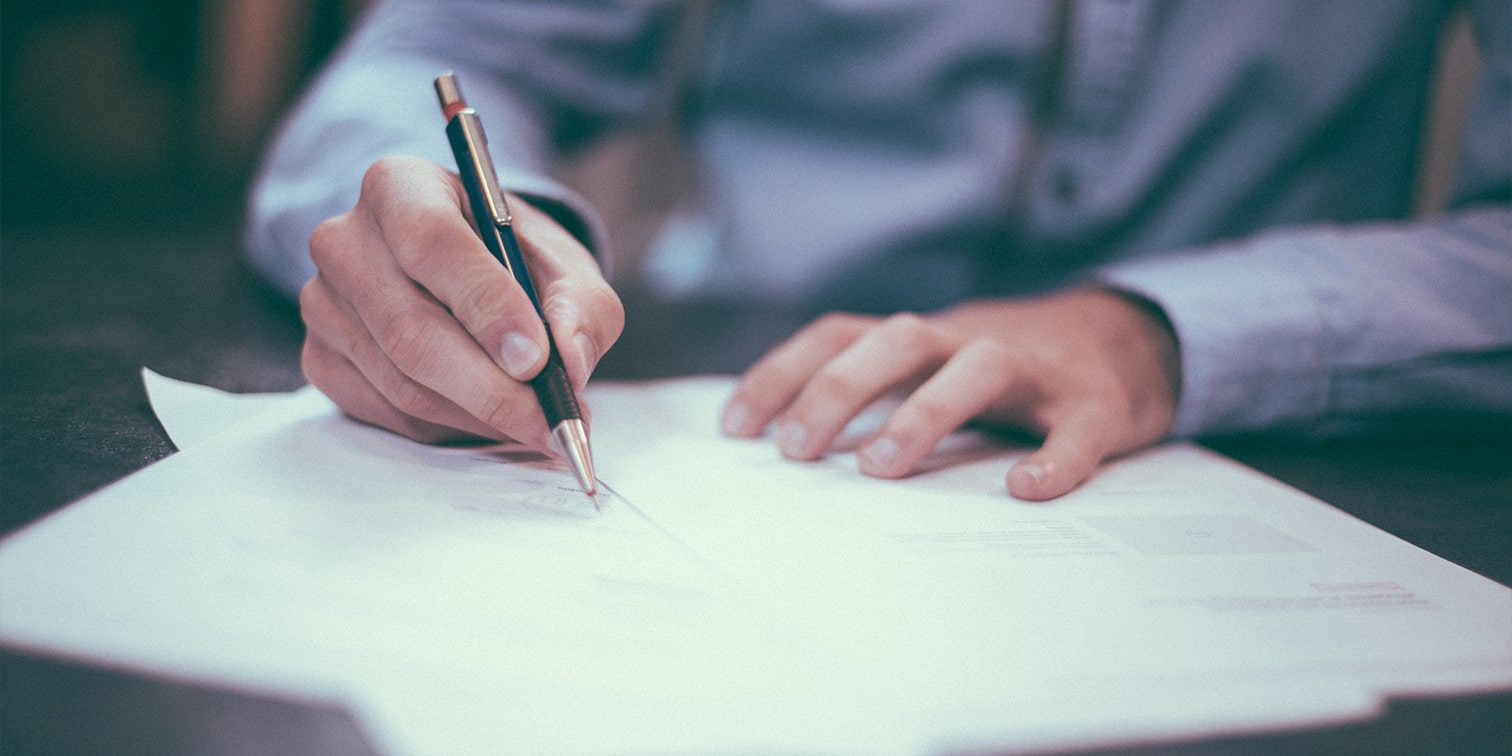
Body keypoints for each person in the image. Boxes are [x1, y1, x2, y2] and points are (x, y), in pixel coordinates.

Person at [247, 1, 1512, 500]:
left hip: (1270, 456)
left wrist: (1160, 330)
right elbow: (431, 59)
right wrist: (482, 239)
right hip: (738, 404)